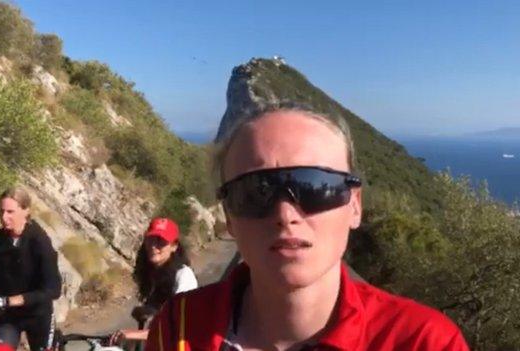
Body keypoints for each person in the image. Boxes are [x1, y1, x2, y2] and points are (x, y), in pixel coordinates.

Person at [145, 102, 470, 350]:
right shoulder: (178, 329)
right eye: (255, 192)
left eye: (315, 187)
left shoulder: (423, 342)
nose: (286, 214)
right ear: (229, 216)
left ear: (354, 205)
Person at [0, 186, 62, 351]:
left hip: (38, 315)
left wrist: (14, 300)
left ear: (26, 211)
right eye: (1, 211)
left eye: (10, 211)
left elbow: (54, 290)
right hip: (9, 316)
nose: (4, 217)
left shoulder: (39, 241)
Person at [109, 217, 198, 346]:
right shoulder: (153, 273)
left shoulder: (183, 276)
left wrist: (134, 334)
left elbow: (179, 327)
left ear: (174, 246)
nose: (154, 246)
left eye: (161, 241)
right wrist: (147, 310)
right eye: (151, 239)